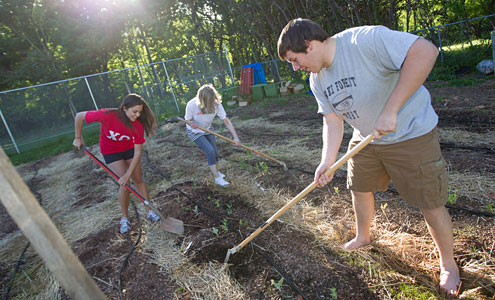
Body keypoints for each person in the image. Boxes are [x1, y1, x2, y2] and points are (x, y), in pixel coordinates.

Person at [278, 19, 460, 297]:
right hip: (365, 137)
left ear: (309, 45)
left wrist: (392, 109)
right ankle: (363, 237)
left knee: (429, 202)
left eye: (294, 59)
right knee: (359, 188)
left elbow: (426, 51)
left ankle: (448, 264)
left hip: (409, 133)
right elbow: (333, 121)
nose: (295, 67)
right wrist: (327, 160)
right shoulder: (317, 78)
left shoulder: (365, 40)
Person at [73, 93, 160, 234]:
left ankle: (150, 211)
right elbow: (79, 116)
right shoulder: (107, 115)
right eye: (134, 111)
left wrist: (128, 173)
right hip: (110, 151)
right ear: (124, 108)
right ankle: (124, 218)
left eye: (140, 112)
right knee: (124, 184)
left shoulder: (137, 126)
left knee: (138, 178)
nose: (137, 115)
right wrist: (78, 137)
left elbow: (138, 153)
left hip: (129, 150)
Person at [184, 84, 241, 187]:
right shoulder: (191, 105)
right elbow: (187, 120)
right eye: (209, 101)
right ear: (202, 99)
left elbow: (226, 120)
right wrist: (191, 123)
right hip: (195, 131)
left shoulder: (217, 104)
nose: (212, 103)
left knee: (215, 151)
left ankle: (217, 172)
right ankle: (217, 178)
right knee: (209, 150)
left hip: (208, 129)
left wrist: (235, 137)